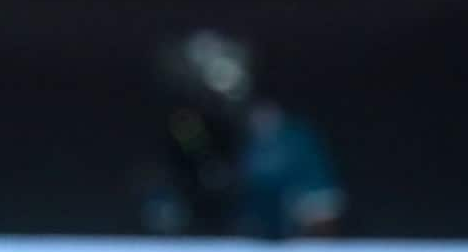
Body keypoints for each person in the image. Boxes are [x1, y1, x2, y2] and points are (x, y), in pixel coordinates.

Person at [138, 30, 347, 239]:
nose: (216, 96)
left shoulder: (285, 139)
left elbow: (321, 217)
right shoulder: (183, 134)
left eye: (225, 72)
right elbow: (157, 217)